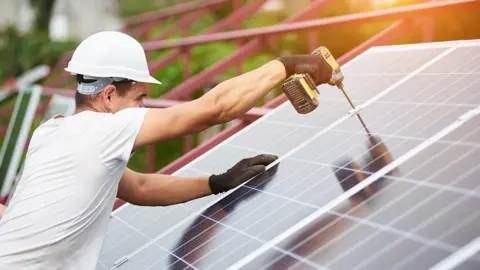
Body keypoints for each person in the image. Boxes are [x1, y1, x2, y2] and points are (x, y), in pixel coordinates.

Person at [0, 31, 333, 269]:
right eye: (140, 99)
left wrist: (216, 182)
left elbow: (138, 187)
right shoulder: (105, 129)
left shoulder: (52, 131)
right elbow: (213, 109)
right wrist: (288, 65)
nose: (143, 107)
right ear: (109, 95)